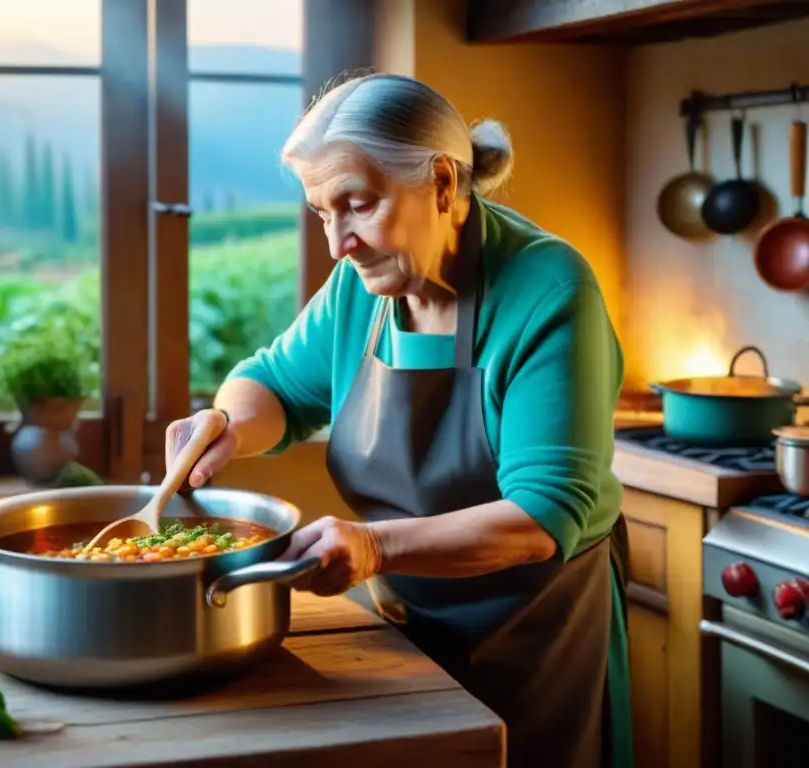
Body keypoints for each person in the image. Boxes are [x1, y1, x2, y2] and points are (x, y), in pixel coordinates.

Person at [166, 71, 633, 768]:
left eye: (356, 205)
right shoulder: (363, 285)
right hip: (407, 636)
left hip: (539, 639)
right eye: (322, 213)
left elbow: (544, 515)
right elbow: (273, 383)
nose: (337, 243)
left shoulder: (548, 288)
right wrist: (227, 424)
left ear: (443, 185)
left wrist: (375, 549)